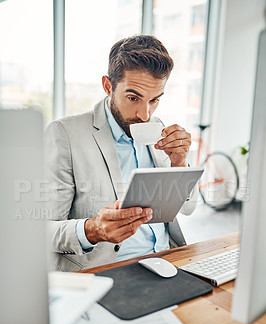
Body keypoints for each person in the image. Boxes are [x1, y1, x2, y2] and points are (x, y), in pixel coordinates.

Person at [45, 35, 198, 272]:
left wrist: (179, 163)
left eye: (154, 100)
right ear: (108, 86)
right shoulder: (64, 134)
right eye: (133, 98)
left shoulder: (157, 127)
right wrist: (92, 230)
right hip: (106, 272)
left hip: (166, 260)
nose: (145, 114)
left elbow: (187, 208)